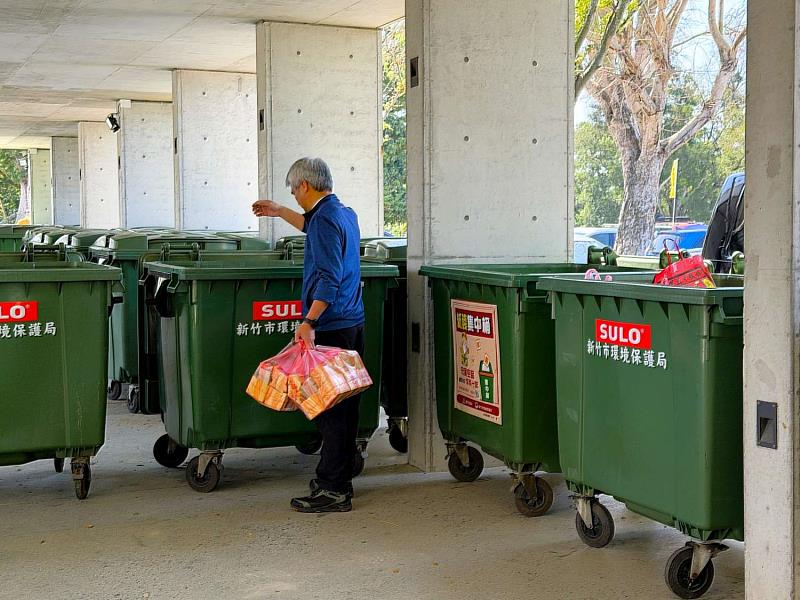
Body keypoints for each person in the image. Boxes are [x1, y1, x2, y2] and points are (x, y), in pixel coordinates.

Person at [252, 157, 364, 513]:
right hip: (350, 321)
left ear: (304, 185)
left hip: (331, 325)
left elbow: (329, 277)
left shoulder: (327, 220)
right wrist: (280, 211)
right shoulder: (343, 213)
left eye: (293, 191)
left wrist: (309, 322)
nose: (294, 196)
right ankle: (336, 475)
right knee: (341, 408)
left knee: (330, 410)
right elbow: (311, 227)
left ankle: (334, 490)